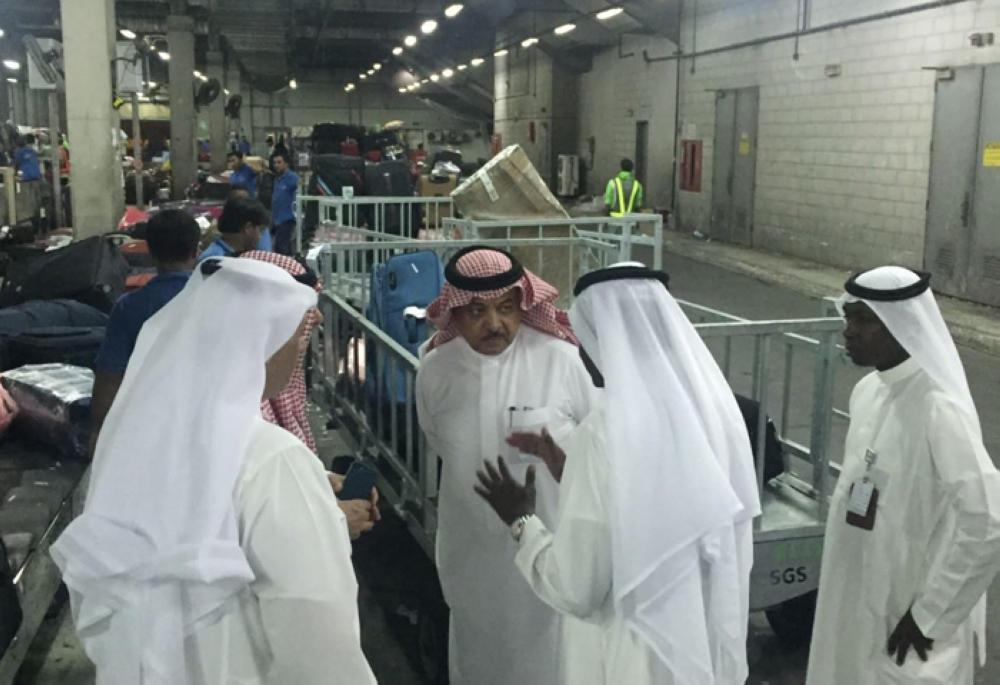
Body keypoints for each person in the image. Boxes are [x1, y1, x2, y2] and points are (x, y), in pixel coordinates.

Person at [51, 258, 378, 684]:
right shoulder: (274, 458)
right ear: (264, 342)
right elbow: (314, 626)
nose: (299, 351)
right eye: (295, 336)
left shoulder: (142, 434)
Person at [474, 263, 761, 685]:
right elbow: (661, 505)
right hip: (695, 644)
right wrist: (568, 471)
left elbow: (578, 586)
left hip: (633, 652)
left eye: (585, 334)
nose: (579, 345)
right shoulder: (713, 411)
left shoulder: (607, 429)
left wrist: (521, 521)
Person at [806, 266, 1000, 685]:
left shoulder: (938, 408)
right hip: (855, 596)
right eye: (848, 317)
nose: (849, 331)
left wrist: (931, 617)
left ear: (903, 327)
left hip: (909, 613)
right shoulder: (868, 393)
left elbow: (987, 520)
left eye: (864, 321)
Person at [416, 246, 599, 685]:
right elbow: (441, 442)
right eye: (476, 310)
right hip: (471, 557)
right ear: (455, 314)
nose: (494, 324)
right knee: (478, 661)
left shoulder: (561, 360)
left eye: (506, 307)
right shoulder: (435, 371)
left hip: (549, 559)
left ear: (524, 304)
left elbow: (598, 457)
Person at [90, 210, 201, 454]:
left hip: (150, 426)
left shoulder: (129, 307)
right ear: (197, 250)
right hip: (209, 421)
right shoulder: (219, 300)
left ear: (150, 252)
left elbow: (110, 376)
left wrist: (99, 431)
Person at [200, 196, 268, 260]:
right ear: (248, 228)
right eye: (260, 230)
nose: (260, 237)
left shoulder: (238, 255)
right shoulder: (213, 260)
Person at [270, 152, 299, 256]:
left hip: (287, 219)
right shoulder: (277, 179)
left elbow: (300, 195)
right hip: (277, 220)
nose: (276, 165)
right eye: (274, 163)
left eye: (279, 162)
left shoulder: (292, 178)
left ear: (286, 164)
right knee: (278, 249)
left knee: (283, 250)